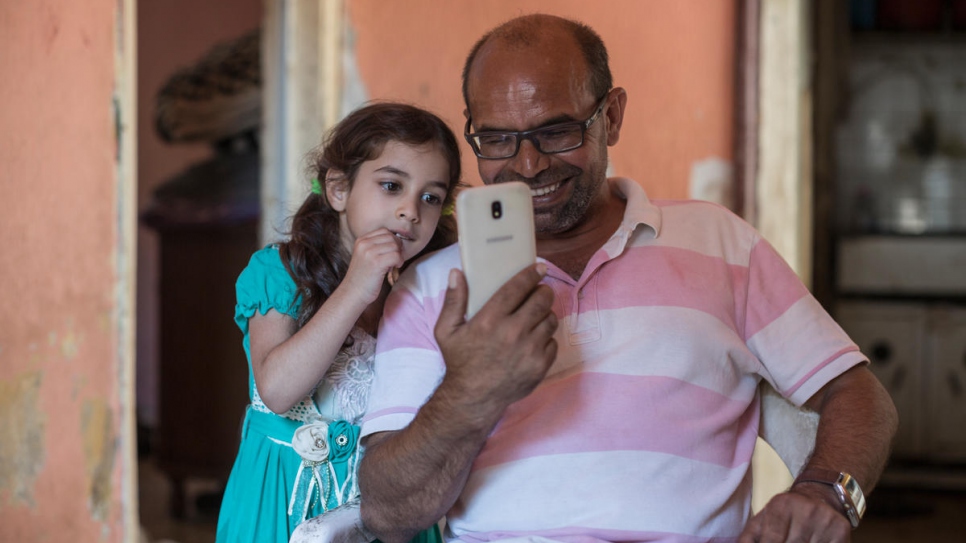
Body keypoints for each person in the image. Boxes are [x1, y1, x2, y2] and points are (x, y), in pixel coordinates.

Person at [357, 14, 898, 543]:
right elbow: (389, 515)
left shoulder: (720, 241)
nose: (526, 165)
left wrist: (826, 492)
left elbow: (856, 393)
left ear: (611, 116)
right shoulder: (432, 288)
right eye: (496, 139)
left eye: (556, 131)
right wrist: (470, 392)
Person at [215, 102, 462, 543]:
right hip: (280, 508)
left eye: (431, 197)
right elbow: (276, 389)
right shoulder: (279, 272)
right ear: (338, 189)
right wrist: (355, 287)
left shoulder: (425, 289)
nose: (411, 210)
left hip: (386, 513)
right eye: (391, 186)